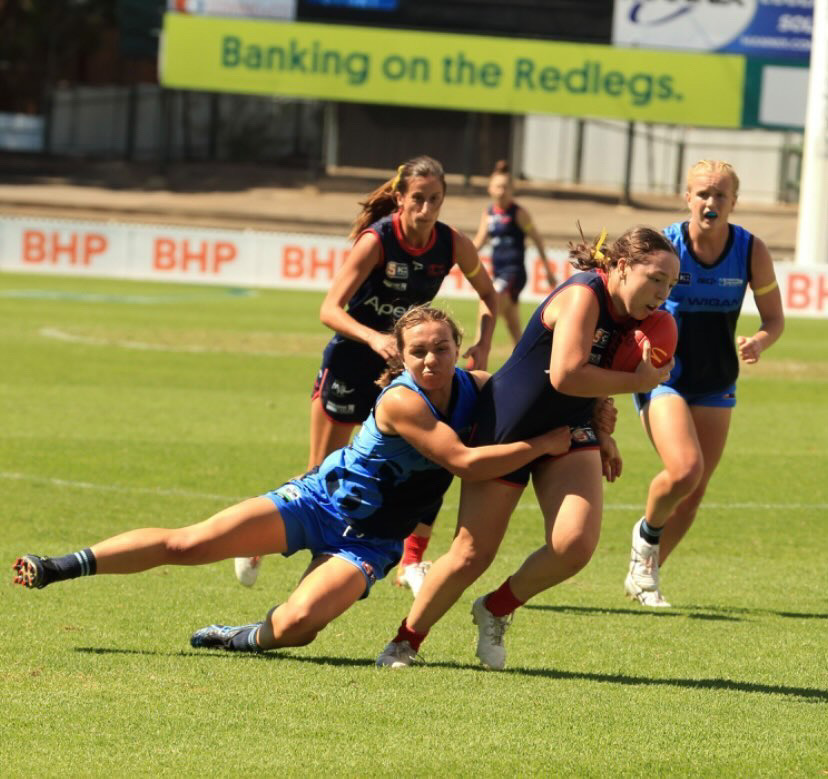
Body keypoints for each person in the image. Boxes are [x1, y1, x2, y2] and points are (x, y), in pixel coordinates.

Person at [13, 306, 571, 656]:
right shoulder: (402, 400)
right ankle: (59, 566)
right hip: (316, 504)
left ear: (458, 348)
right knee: (190, 543)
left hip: (373, 543)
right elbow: (466, 464)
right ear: (400, 357)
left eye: (441, 348)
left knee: (298, 627)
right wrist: (546, 446)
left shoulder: (477, 386)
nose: (430, 359)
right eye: (417, 351)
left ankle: (237, 637)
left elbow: (536, 393)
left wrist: (599, 428)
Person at [376, 226, 680, 670]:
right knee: (470, 554)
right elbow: (566, 375)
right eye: (655, 279)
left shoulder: (636, 318)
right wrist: (641, 382)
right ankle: (406, 641)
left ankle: (495, 608)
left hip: (570, 429)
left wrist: (602, 429)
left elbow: (592, 378)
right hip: (508, 426)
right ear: (619, 267)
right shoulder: (583, 296)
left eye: (670, 284)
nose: (662, 293)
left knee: (574, 546)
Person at [235, 155, 498, 595]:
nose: (426, 209)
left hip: (410, 367)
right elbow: (328, 309)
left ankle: (410, 562)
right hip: (353, 363)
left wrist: (484, 343)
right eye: (418, 199)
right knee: (320, 475)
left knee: (428, 462)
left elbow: (490, 294)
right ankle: (256, 537)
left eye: (435, 200)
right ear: (400, 198)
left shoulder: (452, 244)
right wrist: (374, 338)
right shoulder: (377, 241)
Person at [624, 161, 784, 607]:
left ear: (734, 202)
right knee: (684, 470)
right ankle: (644, 541)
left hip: (717, 380)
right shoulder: (665, 245)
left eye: (720, 196)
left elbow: (775, 320)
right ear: (686, 197)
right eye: (702, 194)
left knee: (693, 494)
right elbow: (627, 304)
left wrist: (759, 341)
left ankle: (647, 574)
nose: (710, 203)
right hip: (663, 377)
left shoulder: (751, 250)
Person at [472, 159, 557, 346]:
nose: (501, 191)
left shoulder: (518, 213)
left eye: (505, 187)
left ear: (512, 189)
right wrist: (458, 258)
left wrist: (548, 272)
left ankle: (477, 354)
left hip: (514, 273)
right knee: (513, 326)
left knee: (488, 304)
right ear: (490, 189)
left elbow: (537, 239)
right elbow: (478, 241)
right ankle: (525, 361)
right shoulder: (488, 214)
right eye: (497, 187)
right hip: (498, 273)